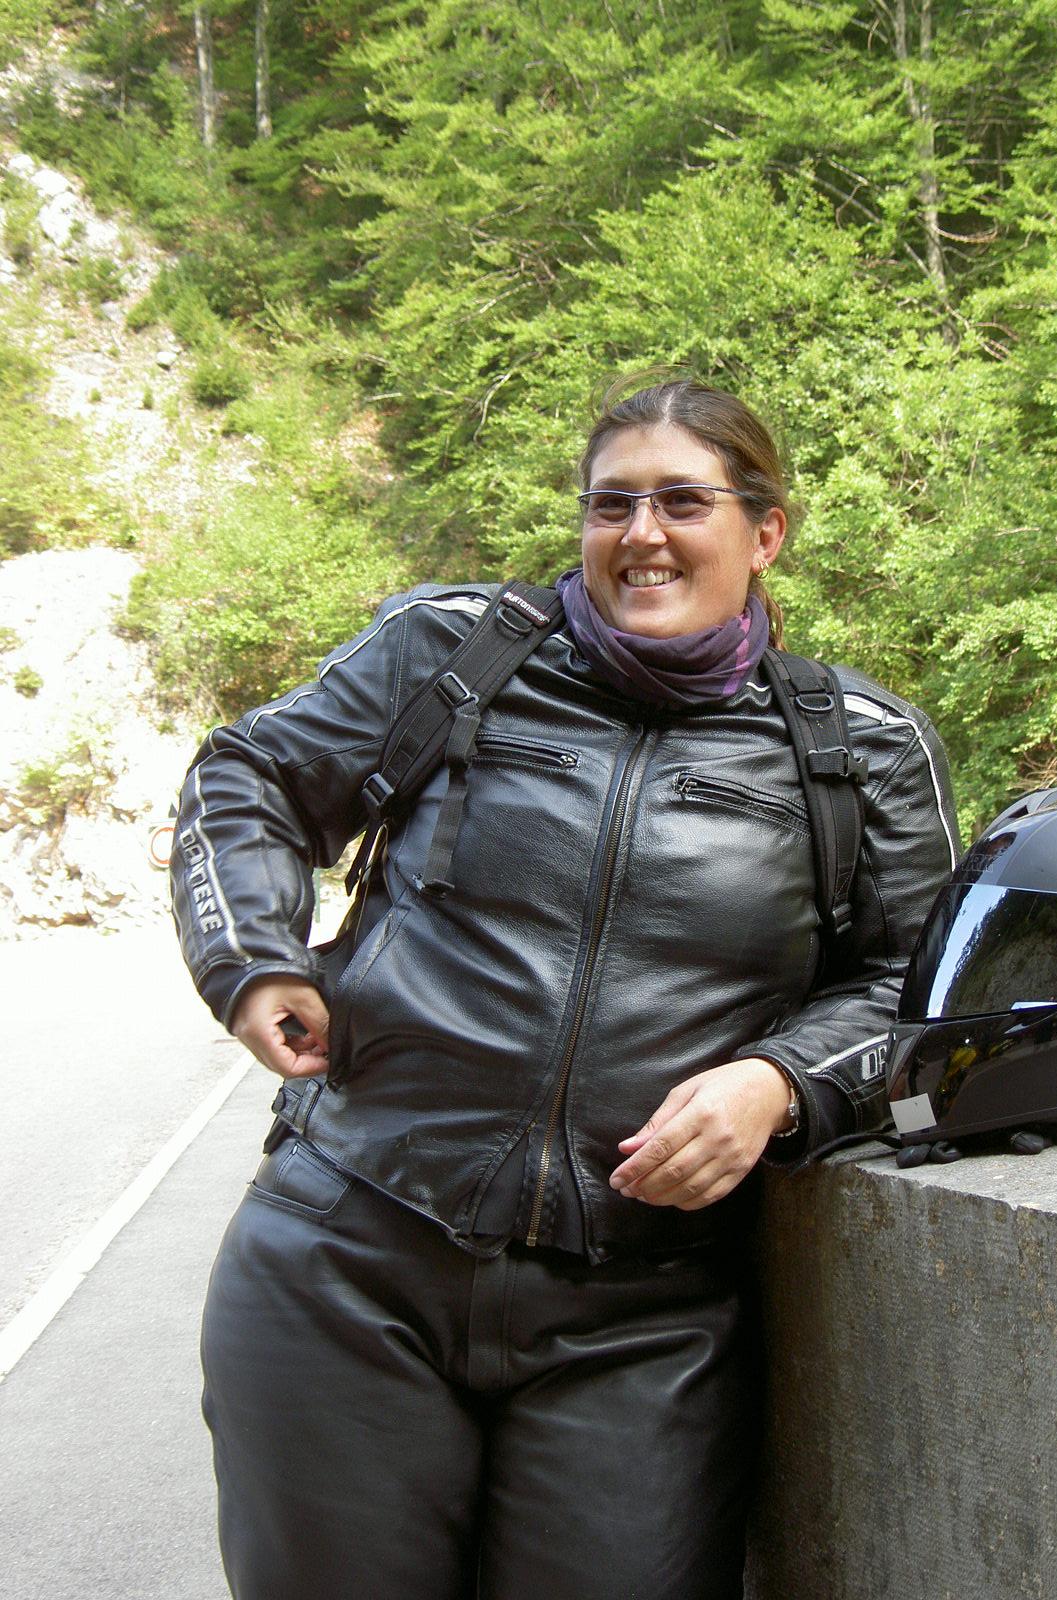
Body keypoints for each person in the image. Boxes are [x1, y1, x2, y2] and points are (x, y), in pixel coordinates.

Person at [170, 377, 958, 1600]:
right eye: (611, 504)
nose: (642, 534)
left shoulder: (859, 746)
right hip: (345, 1261)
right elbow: (248, 774)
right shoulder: (452, 650)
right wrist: (253, 958)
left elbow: (919, 988)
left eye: (683, 502)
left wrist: (778, 1080)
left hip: (643, 1317)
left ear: (765, 532)